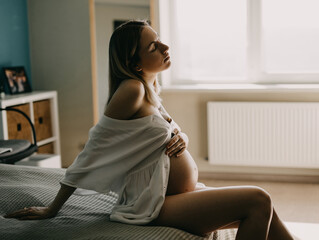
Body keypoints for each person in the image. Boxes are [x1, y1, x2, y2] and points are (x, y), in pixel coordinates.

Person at [4, 20, 294, 240]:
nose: (165, 48)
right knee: (259, 199)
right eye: (153, 47)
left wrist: (183, 138)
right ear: (134, 62)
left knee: (268, 211)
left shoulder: (149, 87)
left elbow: (163, 130)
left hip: (174, 196)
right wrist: (52, 209)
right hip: (153, 205)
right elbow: (93, 151)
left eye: (159, 41)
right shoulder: (130, 90)